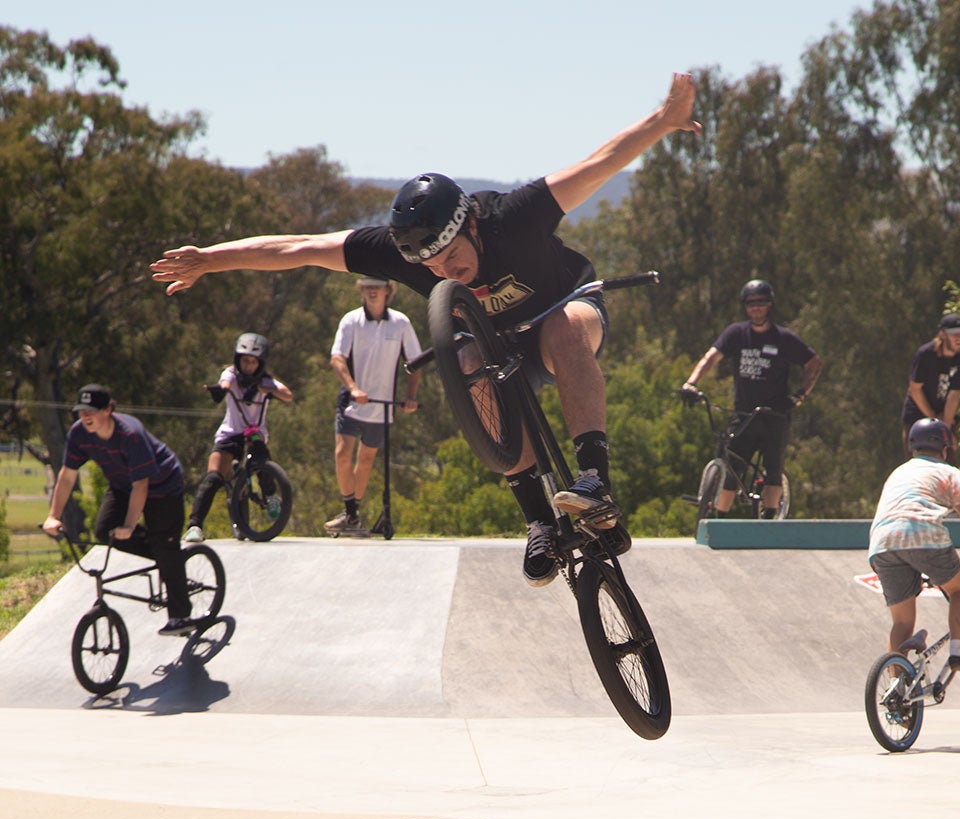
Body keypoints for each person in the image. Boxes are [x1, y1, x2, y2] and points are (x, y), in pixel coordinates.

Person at [151, 74, 701, 585]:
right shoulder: (405, 253)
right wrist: (209, 260)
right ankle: (538, 520)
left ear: (471, 226)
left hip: (566, 308)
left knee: (561, 326)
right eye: (432, 266)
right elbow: (298, 249)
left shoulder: (515, 215)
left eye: (452, 257)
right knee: (466, 365)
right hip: (497, 342)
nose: (445, 270)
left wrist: (662, 120)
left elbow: (599, 164)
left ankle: (593, 481)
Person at [42, 385, 194, 634]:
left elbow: (141, 486)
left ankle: (181, 616)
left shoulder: (130, 434)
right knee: (105, 531)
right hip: (123, 484)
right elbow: (67, 476)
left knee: (163, 544)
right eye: (81, 412)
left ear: (109, 410)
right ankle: (166, 555)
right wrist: (53, 516)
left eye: (92, 411)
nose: (86, 417)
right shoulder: (80, 434)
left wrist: (130, 525)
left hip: (162, 486)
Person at [869, 418, 960, 666]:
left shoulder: (898, 472)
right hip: (922, 534)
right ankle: (957, 652)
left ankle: (896, 695)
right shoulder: (948, 472)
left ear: (912, 448)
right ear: (945, 449)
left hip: (882, 542)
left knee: (902, 623)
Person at [681, 279, 822, 518]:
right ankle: (721, 519)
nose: (756, 307)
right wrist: (691, 383)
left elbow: (814, 364)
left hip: (775, 414)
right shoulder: (737, 333)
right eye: (750, 303)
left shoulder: (783, 338)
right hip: (744, 414)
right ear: (745, 306)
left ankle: (769, 517)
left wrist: (800, 396)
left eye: (761, 302)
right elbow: (711, 358)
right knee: (733, 466)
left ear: (769, 305)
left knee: (773, 468)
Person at [326, 277, 422, 537]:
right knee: (342, 453)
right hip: (352, 403)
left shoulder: (400, 323)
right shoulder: (351, 321)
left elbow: (415, 362)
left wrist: (410, 396)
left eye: (376, 286)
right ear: (361, 289)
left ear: (388, 289)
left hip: (382, 405)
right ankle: (350, 510)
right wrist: (353, 387)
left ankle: (353, 515)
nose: (372, 291)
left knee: (366, 459)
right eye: (367, 286)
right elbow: (337, 359)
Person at [184, 332, 293, 543]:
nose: (248, 366)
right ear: (237, 360)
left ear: (260, 363)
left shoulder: (266, 381)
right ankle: (195, 526)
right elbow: (224, 384)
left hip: (254, 434)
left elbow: (287, 395)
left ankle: (271, 496)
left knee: (262, 459)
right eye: (245, 361)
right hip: (230, 433)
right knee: (213, 477)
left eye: (253, 362)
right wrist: (219, 390)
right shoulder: (231, 375)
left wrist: (268, 388)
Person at [901, 311, 960, 454]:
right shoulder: (926, 354)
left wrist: (945, 428)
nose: (959, 338)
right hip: (918, 414)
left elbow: (955, 393)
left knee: (948, 461)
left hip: (945, 414)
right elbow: (915, 389)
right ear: (942, 334)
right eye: (954, 334)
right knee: (917, 462)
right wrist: (934, 419)